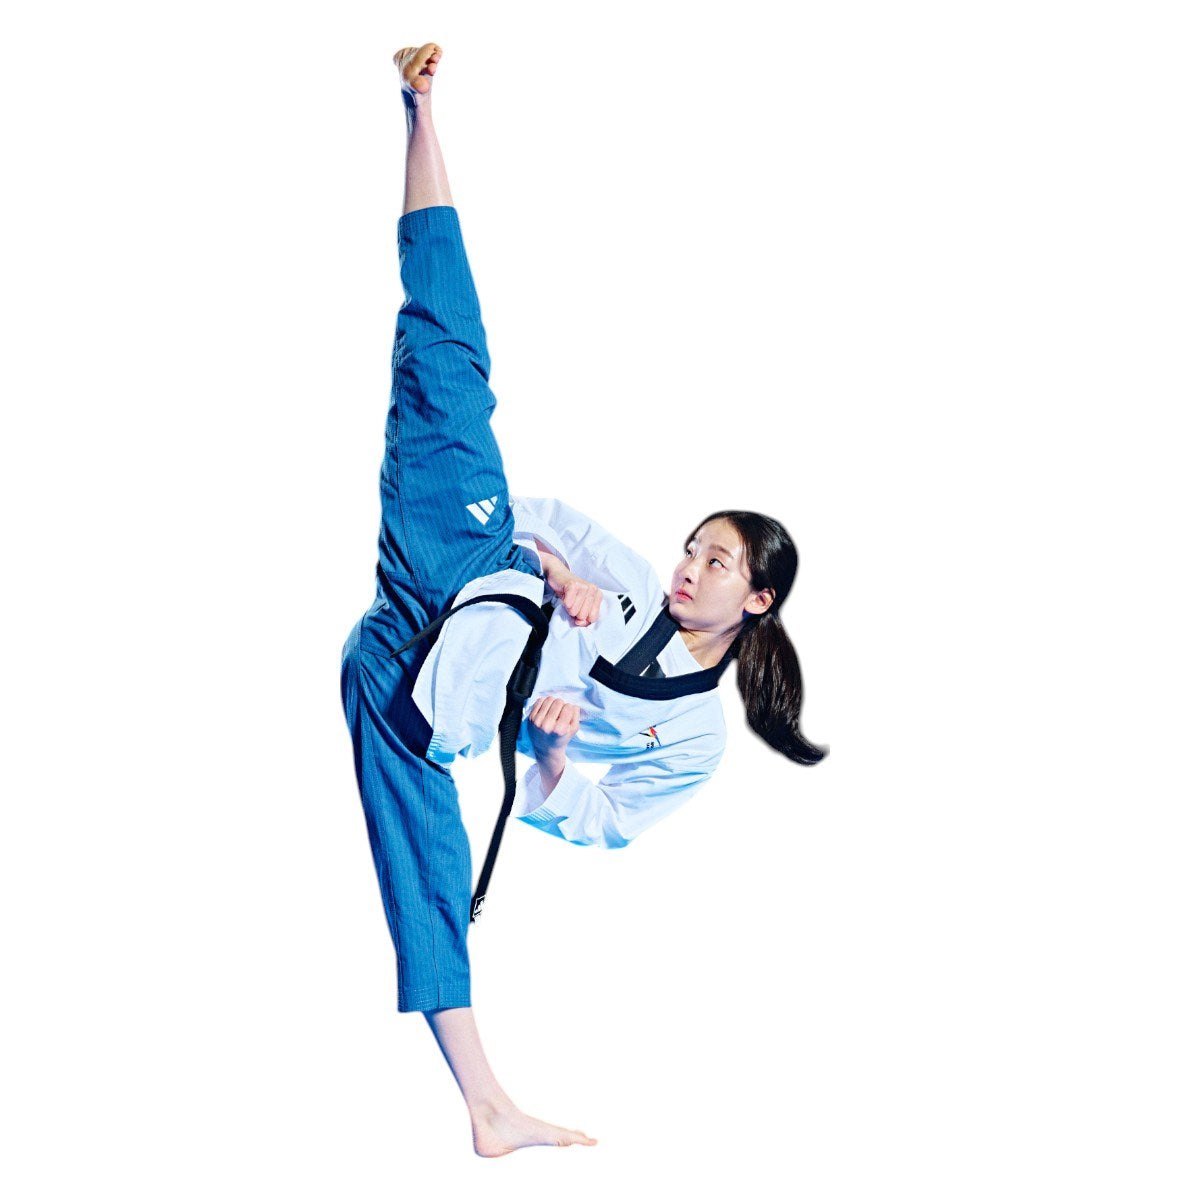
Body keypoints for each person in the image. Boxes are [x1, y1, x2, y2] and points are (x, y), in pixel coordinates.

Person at [339, 43, 826, 1158]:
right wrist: (561, 576)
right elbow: (541, 510)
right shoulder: (630, 580)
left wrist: (555, 756)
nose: (687, 566)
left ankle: (486, 1105)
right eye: (692, 545)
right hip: (455, 572)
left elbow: (597, 821)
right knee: (448, 356)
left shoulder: (696, 736)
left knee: (429, 861)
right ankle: (418, 111)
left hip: (427, 695)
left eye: (713, 563)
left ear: (754, 601)